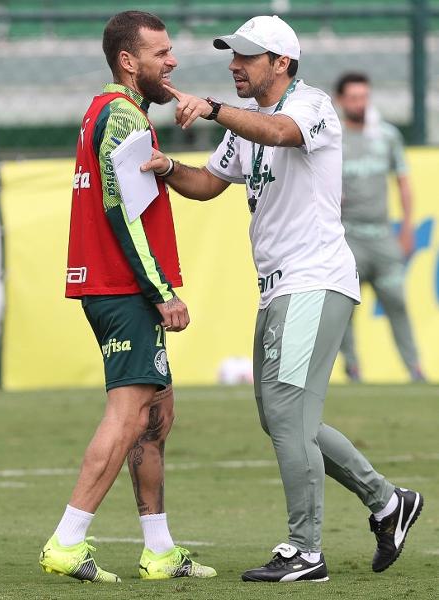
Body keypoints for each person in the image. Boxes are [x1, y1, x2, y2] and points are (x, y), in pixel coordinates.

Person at [141, 15, 423, 583]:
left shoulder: (312, 105)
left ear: (282, 63)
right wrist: (167, 167)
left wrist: (215, 107)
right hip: (280, 286)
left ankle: (305, 550)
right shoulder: (248, 123)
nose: (234, 64)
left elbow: (279, 134)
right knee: (282, 418)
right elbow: (209, 185)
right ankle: (388, 501)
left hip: (314, 279)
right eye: (233, 55)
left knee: (288, 414)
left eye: (246, 56)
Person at [39, 11, 216, 583]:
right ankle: (67, 540)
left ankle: (159, 549)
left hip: (116, 285)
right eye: (161, 53)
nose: (173, 61)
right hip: (124, 289)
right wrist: (161, 291)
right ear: (128, 60)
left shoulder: (113, 110)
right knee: (128, 414)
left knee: (156, 416)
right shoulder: (120, 116)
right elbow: (123, 211)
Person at [334, 72, 425, 382]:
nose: (360, 103)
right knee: (345, 307)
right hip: (347, 236)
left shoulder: (386, 136)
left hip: (382, 235)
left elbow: (403, 182)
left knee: (397, 301)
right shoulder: (332, 138)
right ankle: (353, 368)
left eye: (364, 96)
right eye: (354, 97)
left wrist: (407, 226)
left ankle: (415, 368)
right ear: (341, 100)